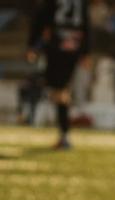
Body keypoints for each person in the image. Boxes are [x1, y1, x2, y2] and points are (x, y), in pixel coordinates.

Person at [26, 0, 91, 150]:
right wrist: (86, 51)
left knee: (59, 91)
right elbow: (86, 24)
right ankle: (64, 134)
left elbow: (41, 18)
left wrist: (32, 45)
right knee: (60, 90)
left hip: (57, 46)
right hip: (74, 47)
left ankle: (64, 134)